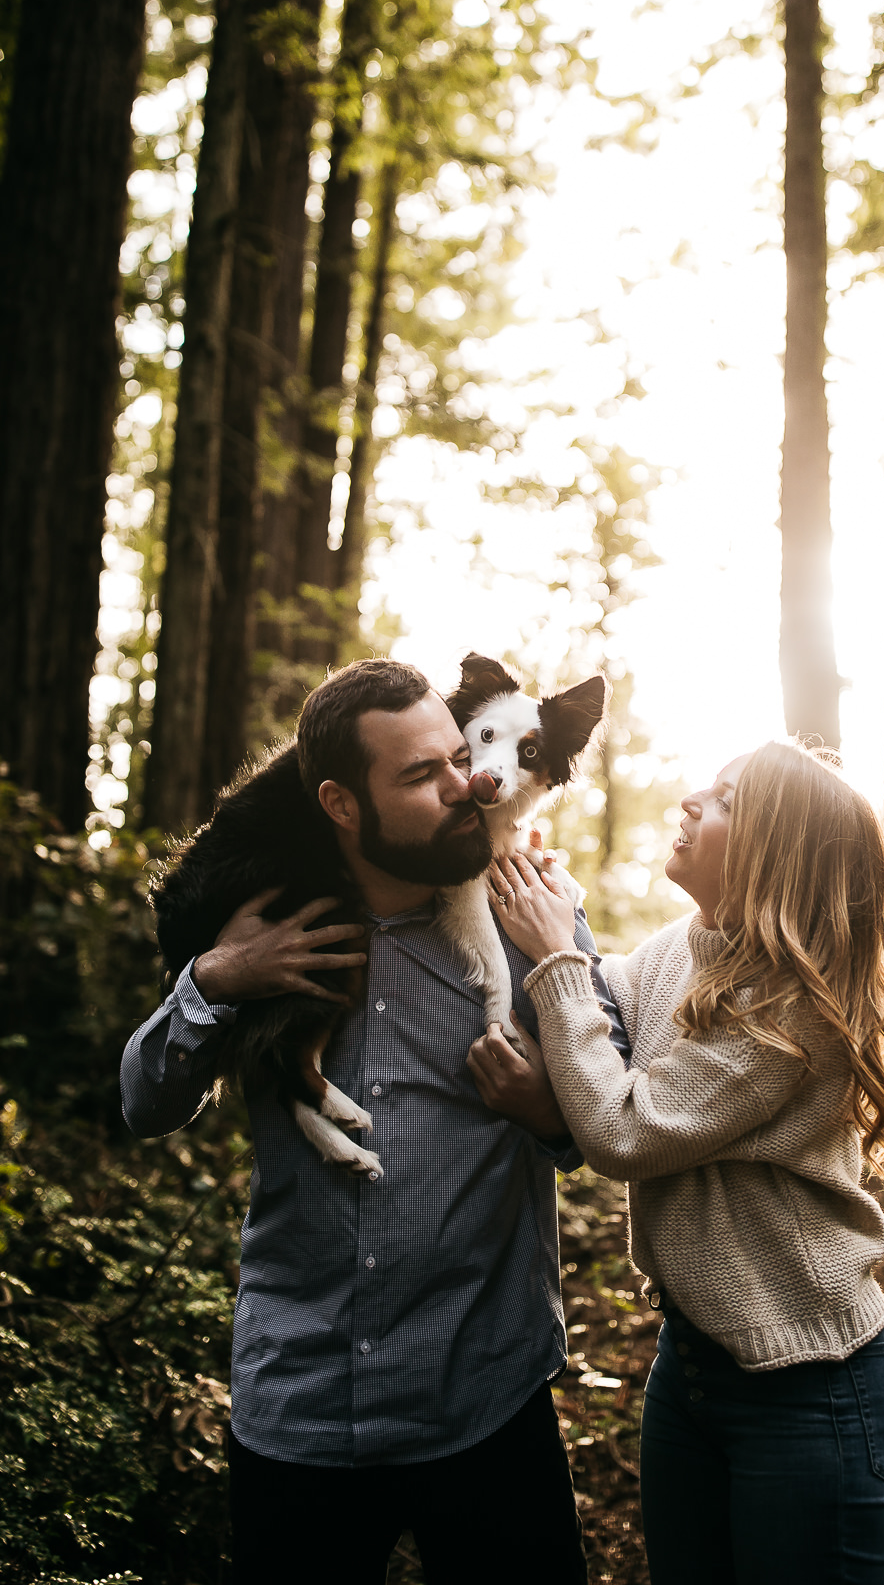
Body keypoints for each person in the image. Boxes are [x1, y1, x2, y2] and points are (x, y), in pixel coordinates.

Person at [120, 658, 629, 1585]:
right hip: (301, 1407)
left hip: (485, 1398)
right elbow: (144, 1103)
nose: (464, 785)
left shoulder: (536, 919)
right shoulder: (268, 925)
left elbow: (606, 1117)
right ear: (341, 805)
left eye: (457, 757)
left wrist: (545, 1110)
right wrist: (216, 980)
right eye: (421, 775)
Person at [469, 740, 884, 1585]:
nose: (689, 801)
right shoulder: (685, 946)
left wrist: (557, 957)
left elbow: (626, 1131)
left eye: (725, 800)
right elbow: (601, 1029)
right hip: (691, 1367)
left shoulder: (793, 1007)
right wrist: (552, 901)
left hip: (812, 1391)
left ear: (777, 852)